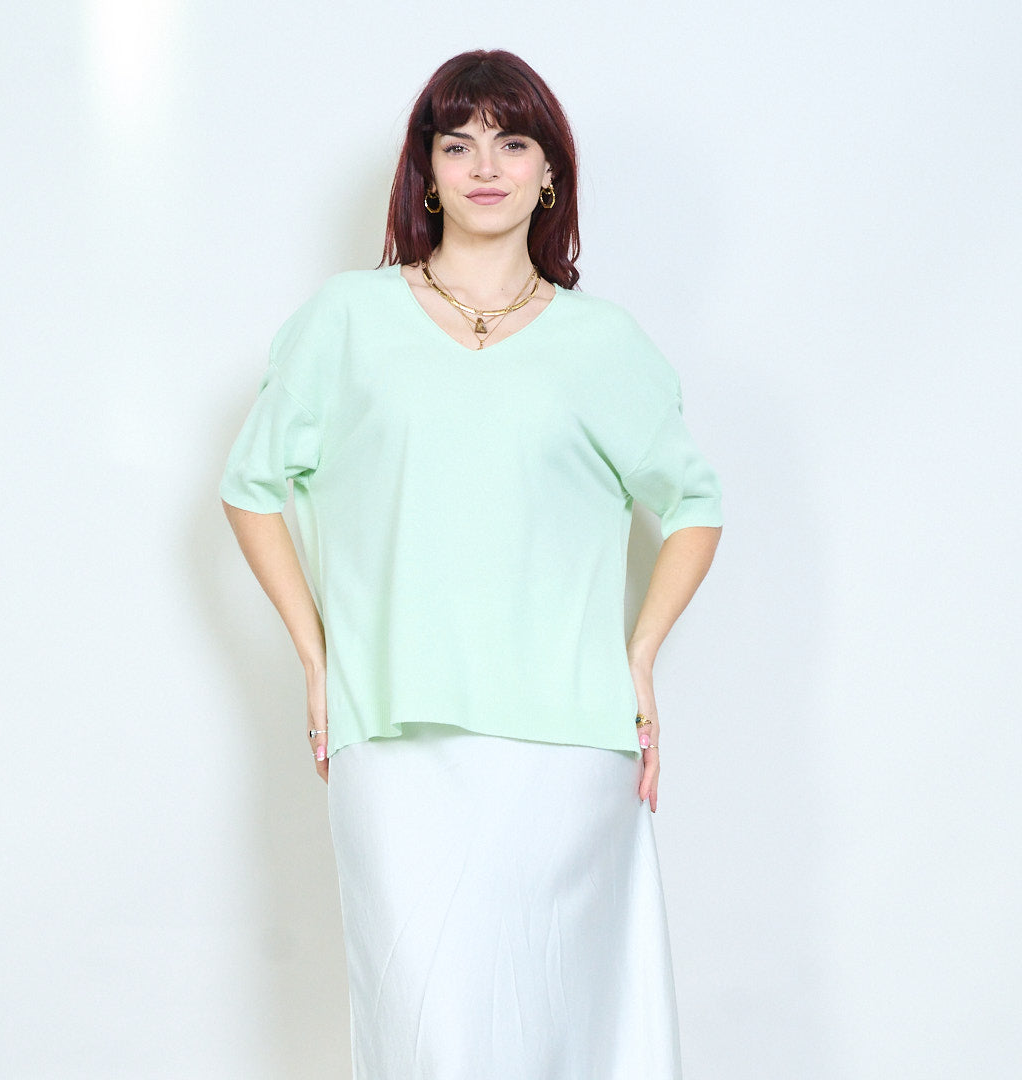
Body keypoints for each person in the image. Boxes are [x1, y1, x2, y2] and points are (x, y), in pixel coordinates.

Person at [220, 48, 722, 1080]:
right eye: (458, 145)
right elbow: (251, 486)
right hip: (392, 730)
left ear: (550, 175)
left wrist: (638, 658)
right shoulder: (347, 321)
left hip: (568, 747)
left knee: (560, 1025)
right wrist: (316, 658)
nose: (485, 166)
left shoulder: (602, 343)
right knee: (425, 1027)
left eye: (513, 142)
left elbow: (695, 506)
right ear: (427, 173)